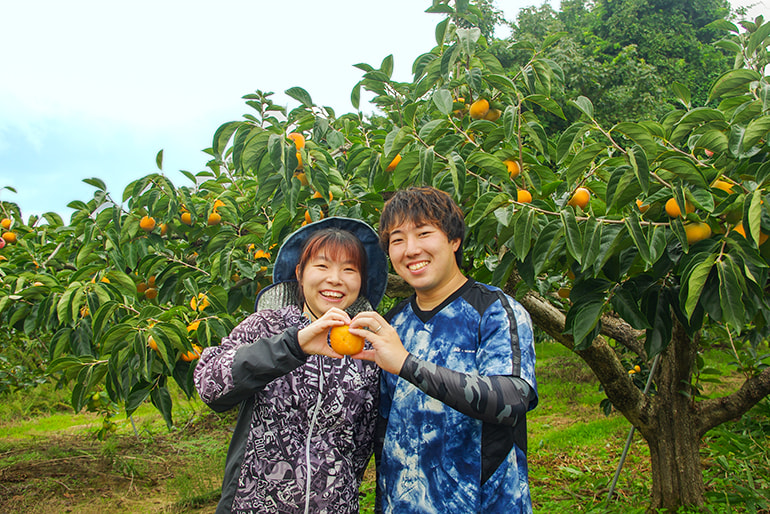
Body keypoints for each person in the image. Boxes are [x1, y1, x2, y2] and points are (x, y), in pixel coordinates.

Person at [349, 186, 538, 513]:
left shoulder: (495, 311)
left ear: (454, 240)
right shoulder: (392, 324)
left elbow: (513, 397)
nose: (411, 249)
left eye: (424, 233)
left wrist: (408, 364)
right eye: (397, 240)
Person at [194, 217, 388, 514]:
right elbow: (209, 384)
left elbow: (362, 444)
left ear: (361, 281)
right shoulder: (266, 326)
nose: (335, 279)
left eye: (349, 269)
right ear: (300, 272)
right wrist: (292, 346)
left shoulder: (367, 348)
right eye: (322, 266)